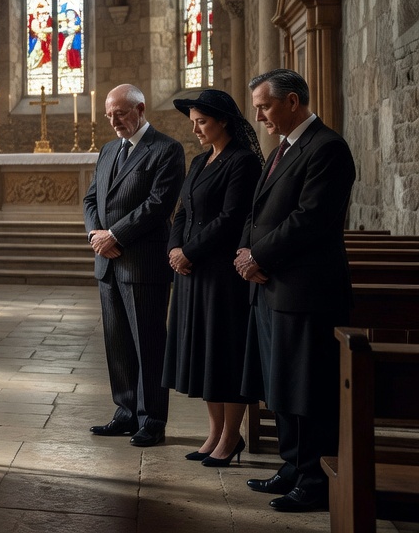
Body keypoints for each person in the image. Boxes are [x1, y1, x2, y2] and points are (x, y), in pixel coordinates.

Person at [235, 69, 355, 513]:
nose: (260, 116)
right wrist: (245, 251)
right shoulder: (280, 151)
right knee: (280, 384)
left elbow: (311, 219)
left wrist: (259, 257)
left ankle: (314, 479)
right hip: (272, 289)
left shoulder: (327, 147)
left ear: (292, 101)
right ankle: (290, 465)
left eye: (265, 107)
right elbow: (257, 210)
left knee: (308, 388)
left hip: (307, 291)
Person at [162, 89, 263, 467]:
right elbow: (182, 212)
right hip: (191, 274)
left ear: (223, 120)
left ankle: (231, 436)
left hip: (222, 274)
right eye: (193, 123)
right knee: (203, 353)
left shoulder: (243, 162)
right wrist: (175, 250)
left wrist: (189, 252)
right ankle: (214, 432)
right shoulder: (200, 160)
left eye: (202, 122)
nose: (196, 129)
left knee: (225, 353)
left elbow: (232, 218)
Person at [83, 84, 185, 448]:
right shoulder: (109, 149)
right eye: (109, 115)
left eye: (120, 114)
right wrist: (96, 233)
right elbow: (91, 197)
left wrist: (116, 235)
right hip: (107, 263)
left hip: (143, 262)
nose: (114, 122)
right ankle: (125, 412)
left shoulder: (166, 149)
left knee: (148, 343)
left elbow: (158, 205)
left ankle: (152, 419)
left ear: (140, 109)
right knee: (118, 343)